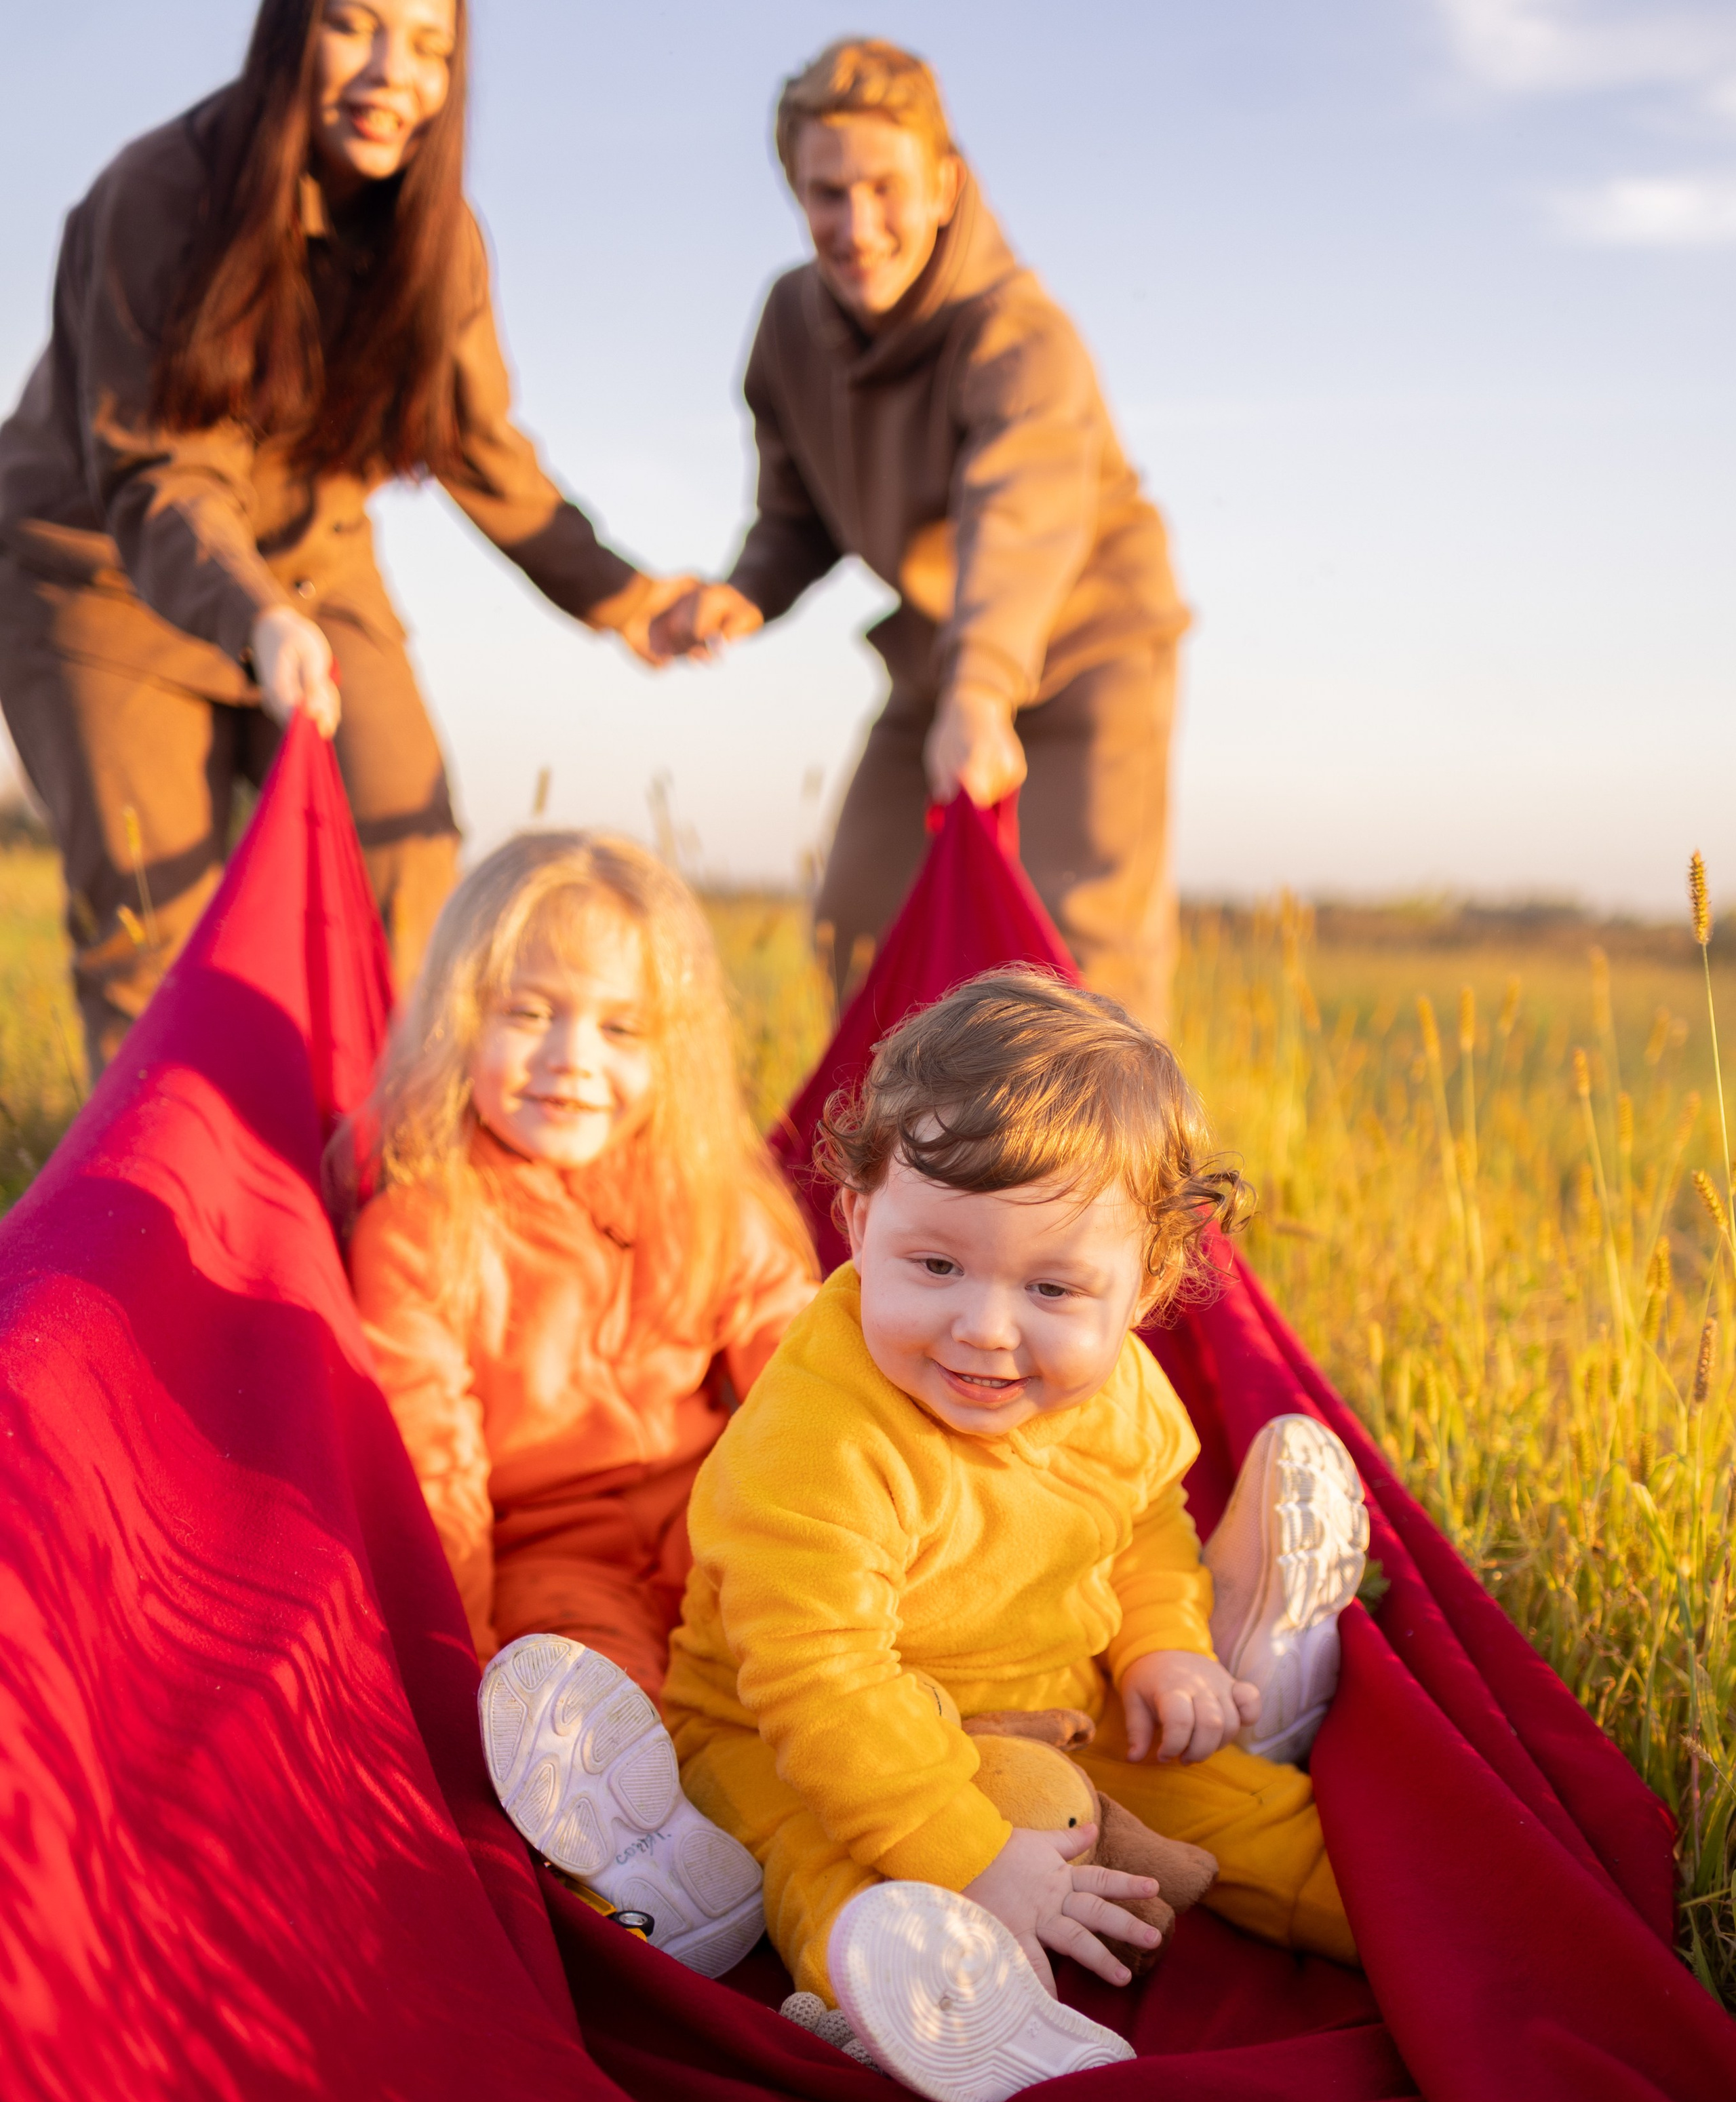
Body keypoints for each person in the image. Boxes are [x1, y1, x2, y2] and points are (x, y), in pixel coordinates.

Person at [486, 969, 1369, 2102]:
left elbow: (1146, 1516)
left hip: (1057, 1701)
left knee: (1252, 1817)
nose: (986, 1330)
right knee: (817, 1859)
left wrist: (1163, 1646)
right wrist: (971, 1857)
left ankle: (1434, 1931)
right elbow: (820, 1682)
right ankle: (935, 2004)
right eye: (936, 1266)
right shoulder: (819, 1434)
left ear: (1145, 1283)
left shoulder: (1121, 1393)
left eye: (1053, 1289)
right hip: (786, 1731)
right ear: (857, 1220)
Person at [0, 0, 692, 1074]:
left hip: (317, 566)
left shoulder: (439, 235)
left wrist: (623, 598)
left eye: (427, 45)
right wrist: (255, 616)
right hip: (97, 571)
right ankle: (157, 1223)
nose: (390, 73)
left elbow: (477, 443)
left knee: (408, 871)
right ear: (289, 35)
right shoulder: (153, 194)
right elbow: (154, 472)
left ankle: (381, 1188)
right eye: (354, 26)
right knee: (153, 931)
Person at [349, 829, 818, 1974]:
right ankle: (684, 1900)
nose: (571, 1058)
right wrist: (466, 1675)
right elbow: (436, 1474)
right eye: (528, 1013)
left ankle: (856, 1890)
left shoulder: (711, 1197)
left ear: (675, 1053)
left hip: (722, 1530)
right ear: (461, 1018)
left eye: (619, 1028)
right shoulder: (425, 1227)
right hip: (556, 1563)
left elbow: (810, 1386)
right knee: (596, 1713)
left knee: (812, 1675)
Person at [651, 39, 1190, 1036]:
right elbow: (797, 512)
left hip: (1085, 657)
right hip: (946, 662)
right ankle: (891, 1183)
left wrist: (984, 690)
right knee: (857, 924)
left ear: (944, 185)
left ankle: (1135, 1192)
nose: (858, 227)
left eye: (885, 189)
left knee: (1085, 968)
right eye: (826, 194)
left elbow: (1015, 518)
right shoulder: (787, 324)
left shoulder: (1019, 337)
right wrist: (747, 592)